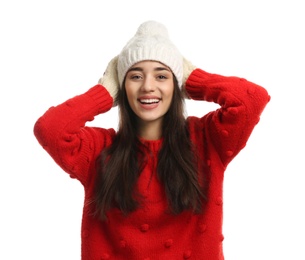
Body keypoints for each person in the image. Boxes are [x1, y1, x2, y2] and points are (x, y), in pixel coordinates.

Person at [33, 20, 270, 259]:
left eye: (161, 76)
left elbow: (252, 100)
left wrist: (192, 78)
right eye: (135, 76)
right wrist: (104, 92)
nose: (148, 86)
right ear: (121, 87)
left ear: (177, 85)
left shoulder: (206, 140)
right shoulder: (99, 150)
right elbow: (50, 129)